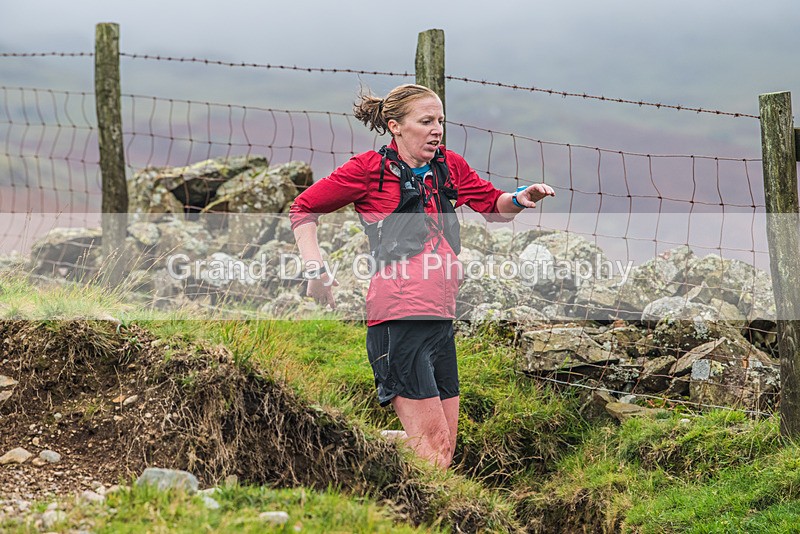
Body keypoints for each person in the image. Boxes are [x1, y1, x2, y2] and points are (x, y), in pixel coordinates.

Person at [289, 84, 554, 469]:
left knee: (442, 449)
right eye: (426, 121)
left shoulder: (449, 166)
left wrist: (519, 198)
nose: (437, 130)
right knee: (433, 452)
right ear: (395, 126)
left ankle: (349, 445)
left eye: (440, 121)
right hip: (399, 321)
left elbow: (492, 207)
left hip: (440, 321)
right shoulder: (368, 170)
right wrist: (316, 268)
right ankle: (342, 461)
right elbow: (303, 208)